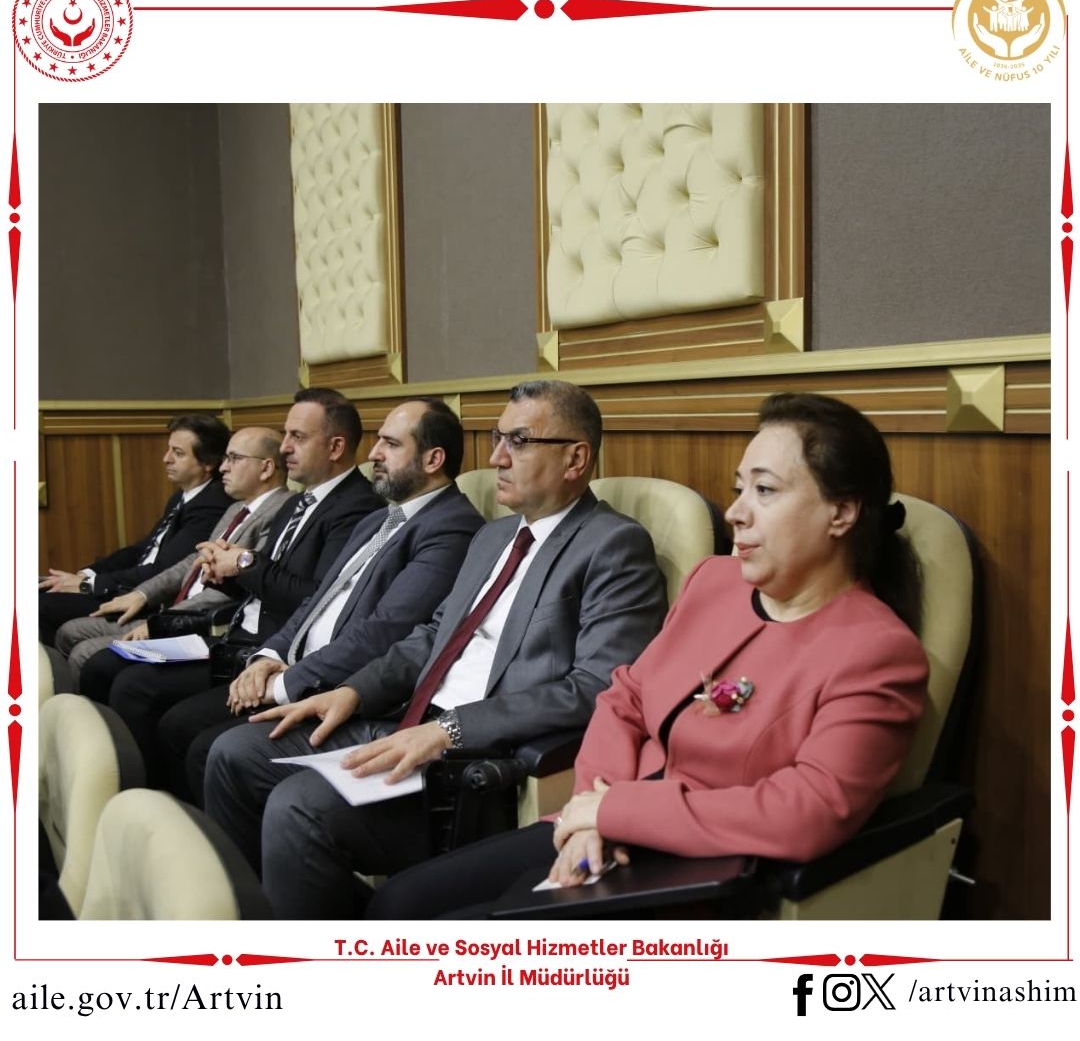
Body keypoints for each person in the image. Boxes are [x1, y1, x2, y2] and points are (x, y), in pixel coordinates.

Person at [364, 392, 929, 920]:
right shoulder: (716, 582)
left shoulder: (878, 651)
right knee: (400, 902)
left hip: (706, 867)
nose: (736, 513)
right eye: (739, 490)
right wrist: (591, 813)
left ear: (841, 513)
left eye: (765, 491)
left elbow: (808, 810)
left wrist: (616, 813)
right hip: (601, 824)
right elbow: (625, 697)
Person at [204, 379, 668, 918]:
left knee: (298, 808)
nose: (496, 457)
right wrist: (353, 691)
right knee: (234, 755)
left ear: (576, 458)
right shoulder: (494, 536)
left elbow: (595, 687)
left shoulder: (612, 543)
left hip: (474, 756)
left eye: (518, 441)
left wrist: (450, 730)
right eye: (497, 438)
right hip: (403, 719)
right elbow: (433, 633)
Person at [157, 398, 485, 801]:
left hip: (340, 687)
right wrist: (268, 657)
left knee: (214, 749)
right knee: (179, 726)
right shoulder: (380, 518)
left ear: (433, 459)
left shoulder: (453, 527)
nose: (374, 454)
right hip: (297, 668)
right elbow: (315, 602)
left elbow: (385, 631)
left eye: (390, 444)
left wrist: (285, 684)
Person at [66, 387, 383, 787]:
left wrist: (245, 564)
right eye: (286, 434)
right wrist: (226, 575)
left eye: (297, 437)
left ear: (335, 447)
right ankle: (115, 791)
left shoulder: (358, 507)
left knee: (145, 697)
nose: (285, 447)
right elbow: (264, 587)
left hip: (272, 652)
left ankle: (153, 804)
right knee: (108, 666)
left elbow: (318, 600)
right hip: (233, 637)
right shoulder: (298, 503)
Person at [52, 426, 291, 685]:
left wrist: (164, 622)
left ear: (266, 468)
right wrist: (142, 594)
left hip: (199, 623)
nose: (223, 467)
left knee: (86, 653)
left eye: (234, 458)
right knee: (70, 632)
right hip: (172, 610)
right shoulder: (236, 508)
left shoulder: (281, 512)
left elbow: (238, 590)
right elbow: (191, 561)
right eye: (225, 458)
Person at [38, 413, 232, 645]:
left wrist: (88, 586)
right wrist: (87, 574)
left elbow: (163, 570)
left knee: (40, 606)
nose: (166, 459)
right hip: (127, 586)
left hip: (145, 599)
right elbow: (140, 550)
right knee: (38, 589)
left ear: (208, 463)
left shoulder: (212, 504)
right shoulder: (182, 496)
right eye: (168, 449)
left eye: (178, 453)